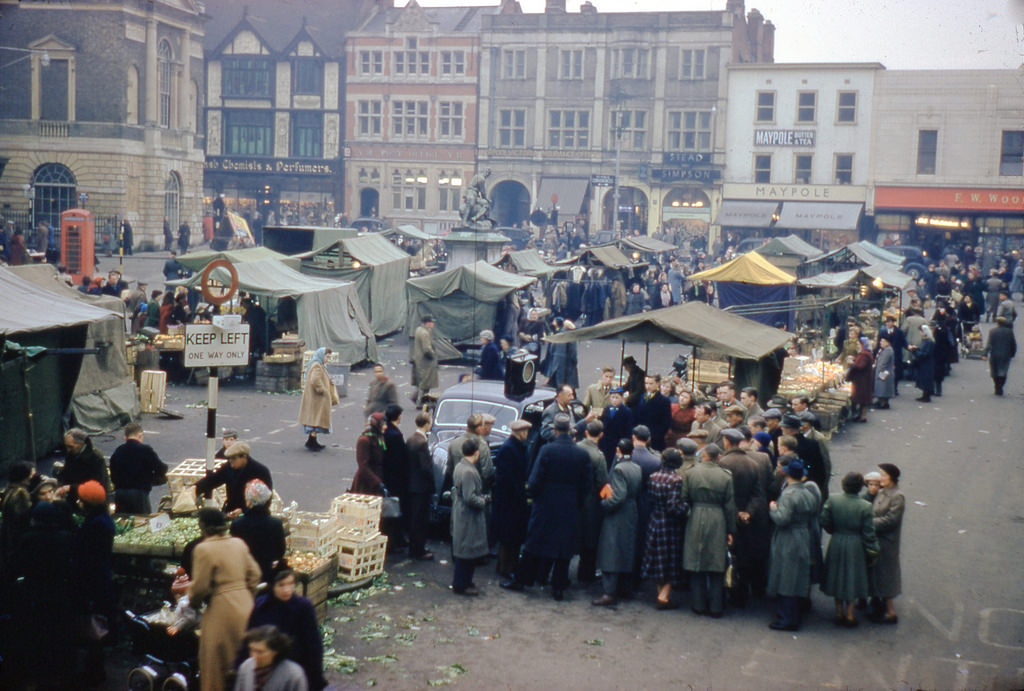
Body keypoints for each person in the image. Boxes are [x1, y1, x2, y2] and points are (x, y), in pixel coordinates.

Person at [502, 414, 590, 601]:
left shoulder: (547, 450)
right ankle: (558, 586)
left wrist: (534, 496)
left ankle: (522, 579)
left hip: (546, 505)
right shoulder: (582, 454)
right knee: (563, 548)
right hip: (570, 506)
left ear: (555, 430)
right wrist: (577, 502)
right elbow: (586, 485)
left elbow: (534, 480)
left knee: (534, 543)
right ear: (570, 430)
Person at [190, 508, 261, 691]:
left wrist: (193, 603)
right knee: (244, 665)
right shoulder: (238, 543)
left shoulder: (203, 549)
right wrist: (246, 596)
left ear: (203, 527)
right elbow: (255, 574)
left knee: (214, 667)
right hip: (246, 608)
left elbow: (200, 587)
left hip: (221, 611)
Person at [244, 565, 325, 690]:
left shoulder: (303, 608)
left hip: (293, 670)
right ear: (272, 586)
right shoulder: (261, 606)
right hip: (263, 670)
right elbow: (248, 639)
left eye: (290, 584)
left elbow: (313, 646)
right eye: (281, 585)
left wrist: (314, 679)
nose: (287, 590)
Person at [681, 443, 735, 618]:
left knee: (696, 561)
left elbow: (684, 498)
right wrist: (730, 530)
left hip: (695, 516)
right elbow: (729, 506)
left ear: (703, 455)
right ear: (718, 456)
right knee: (716, 562)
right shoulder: (726, 476)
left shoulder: (690, 472)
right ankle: (716, 606)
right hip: (718, 518)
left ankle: (698, 604)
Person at [766, 459, 821, 631]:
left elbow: (782, 519)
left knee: (786, 576)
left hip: (788, 537)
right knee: (797, 575)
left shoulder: (789, 494)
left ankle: (787, 618)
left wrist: (773, 508)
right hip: (803, 534)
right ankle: (796, 611)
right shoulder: (808, 491)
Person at [72, 481, 117, 686]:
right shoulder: (103, 519)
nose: (78, 502)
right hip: (101, 578)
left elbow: (87, 557)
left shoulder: (94, 525)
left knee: (93, 627)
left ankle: (94, 672)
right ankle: (94, 669)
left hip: (93, 581)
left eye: (81, 499)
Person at [820, 472, 879, 627]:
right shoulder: (865, 506)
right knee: (852, 577)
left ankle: (839, 613)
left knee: (836, 575)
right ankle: (851, 615)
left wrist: (834, 530)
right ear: (860, 487)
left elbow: (824, 520)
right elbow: (869, 532)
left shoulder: (833, 499)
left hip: (838, 540)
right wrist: (873, 550)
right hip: (855, 543)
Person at [718, 428, 766, 608]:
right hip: (746, 519)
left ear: (728, 442)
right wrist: (747, 512)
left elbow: (725, 494)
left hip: (728, 516)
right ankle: (742, 594)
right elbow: (757, 494)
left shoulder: (723, 462)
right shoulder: (753, 464)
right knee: (745, 556)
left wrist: (735, 512)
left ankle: (728, 592)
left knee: (727, 556)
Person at [592, 438, 643, 607]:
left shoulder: (619, 469)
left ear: (618, 450)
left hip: (618, 513)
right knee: (626, 549)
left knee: (610, 550)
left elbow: (619, 495)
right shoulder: (636, 467)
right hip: (632, 511)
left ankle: (609, 592)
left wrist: (605, 504)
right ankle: (625, 588)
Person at [641, 447, 688, 609]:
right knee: (670, 558)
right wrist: (686, 509)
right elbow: (673, 506)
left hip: (655, 519)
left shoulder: (653, 476)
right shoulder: (676, 480)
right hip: (670, 523)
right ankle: (664, 596)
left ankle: (660, 592)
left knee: (657, 557)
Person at [492, 419, 532, 578]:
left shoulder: (515, 447)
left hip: (513, 499)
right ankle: (506, 567)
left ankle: (507, 565)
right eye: (526, 432)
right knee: (509, 537)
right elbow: (507, 478)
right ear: (520, 433)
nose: (527, 435)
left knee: (512, 536)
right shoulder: (509, 449)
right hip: (509, 501)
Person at [451, 438, 490, 596]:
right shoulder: (469, 471)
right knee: (467, 552)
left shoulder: (460, 466)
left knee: (466, 550)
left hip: (461, 513)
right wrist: (484, 501)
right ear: (476, 453)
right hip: (468, 516)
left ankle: (465, 581)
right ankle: (461, 584)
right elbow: (470, 497)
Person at [196, 442, 274, 518]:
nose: (231, 461)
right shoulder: (228, 468)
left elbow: (266, 498)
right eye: (229, 459)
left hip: (254, 514)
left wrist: (243, 510)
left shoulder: (260, 471)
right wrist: (195, 488)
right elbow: (212, 480)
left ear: (244, 457)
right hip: (231, 510)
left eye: (233, 458)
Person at [230, 479, 286, 584]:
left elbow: (234, 553)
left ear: (249, 501)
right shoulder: (276, 523)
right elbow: (280, 551)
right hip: (268, 574)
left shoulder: (238, 524)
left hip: (244, 576)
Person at [108, 421, 168, 514]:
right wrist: (153, 479)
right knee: (142, 522)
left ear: (125, 437)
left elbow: (113, 475)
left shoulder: (118, 451)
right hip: (140, 495)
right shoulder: (145, 450)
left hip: (121, 495)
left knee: (124, 523)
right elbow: (161, 468)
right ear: (140, 435)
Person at [871, 463, 905, 624]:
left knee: (886, 574)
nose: (880, 478)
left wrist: (870, 523)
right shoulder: (882, 492)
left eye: (883, 475)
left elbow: (891, 520)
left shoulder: (897, 496)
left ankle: (890, 611)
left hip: (887, 541)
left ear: (892, 477)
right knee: (877, 572)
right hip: (877, 539)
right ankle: (879, 604)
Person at [577, 420, 608, 584]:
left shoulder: (576, 448)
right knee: (589, 538)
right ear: (601, 435)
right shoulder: (598, 456)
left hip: (573, 497)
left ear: (586, 432)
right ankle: (586, 573)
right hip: (590, 501)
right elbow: (603, 482)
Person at [234, 625, 309, 691]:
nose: (254, 656)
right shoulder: (246, 667)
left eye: (260, 652)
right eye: (251, 650)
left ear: (275, 652)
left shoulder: (293, 674)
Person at [405, 411, 436, 561]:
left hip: (411, 485)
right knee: (420, 520)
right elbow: (426, 468)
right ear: (426, 424)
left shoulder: (411, 439)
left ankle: (415, 547)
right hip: (421, 487)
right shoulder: (422, 443)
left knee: (413, 518)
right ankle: (418, 550)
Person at [56, 428, 112, 503]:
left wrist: (71, 488)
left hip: (90, 499)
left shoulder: (96, 458)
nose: (68, 450)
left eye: (71, 446)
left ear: (81, 444)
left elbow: (97, 483)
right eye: (67, 446)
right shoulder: (72, 453)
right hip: (73, 496)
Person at [381, 403, 409, 550]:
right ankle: (394, 541)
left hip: (386, 476)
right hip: (396, 478)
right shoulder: (396, 435)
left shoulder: (386, 432)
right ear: (398, 416)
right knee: (395, 509)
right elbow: (400, 459)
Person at [299, 347, 338, 451]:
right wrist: (322, 390)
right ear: (322, 355)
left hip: (315, 398)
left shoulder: (318, 365)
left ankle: (312, 441)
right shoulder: (317, 365)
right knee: (315, 419)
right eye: (327, 356)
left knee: (314, 419)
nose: (327, 359)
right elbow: (315, 380)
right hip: (316, 398)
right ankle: (312, 442)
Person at [351, 412, 387, 495]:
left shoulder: (379, 437)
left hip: (377, 480)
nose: (385, 427)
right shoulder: (364, 441)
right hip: (365, 485)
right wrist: (377, 482)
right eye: (383, 424)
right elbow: (363, 466)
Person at [634, 374, 671, 451]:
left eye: (651, 384)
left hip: (655, 439)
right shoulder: (642, 396)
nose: (648, 386)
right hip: (640, 436)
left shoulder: (664, 400)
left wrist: (654, 436)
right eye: (646, 383)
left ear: (657, 384)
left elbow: (666, 422)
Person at [598, 386, 633, 467]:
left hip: (618, 442)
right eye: (612, 397)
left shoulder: (626, 411)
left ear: (621, 398)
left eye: (617, 397)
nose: (614, 400)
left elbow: (628, 430)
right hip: (606, 443)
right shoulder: (606, 409)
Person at [983, 315, 1017, 395]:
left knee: (994, 371)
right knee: (1003, 371)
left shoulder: (992, 331)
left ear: (997, 323)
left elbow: (989, 344)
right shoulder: (1009, 332)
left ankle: (996, 385)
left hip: (994, 354)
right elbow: (1013, 344)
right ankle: (1000, 386)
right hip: (1006, 354)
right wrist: (1012, 353)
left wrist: (985, 354)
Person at [411, 315, 438, 405]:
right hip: (425, 361)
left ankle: (417, 398)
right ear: (427, 323)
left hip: (419, 360)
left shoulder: (418, 330)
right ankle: (421, 402)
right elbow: (427, 349)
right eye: (431, 322)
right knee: (425, 383)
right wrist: (433, 356)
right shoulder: (425, 333)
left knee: (421, 382)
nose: (433, 324)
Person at [846, 336, 874, 422]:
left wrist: (852, 363)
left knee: (857, 399)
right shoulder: (866, 353)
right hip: (863, 380)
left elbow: (860, 366)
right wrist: (855, 359)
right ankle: (862, 415)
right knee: (862, 400)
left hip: (861, 381)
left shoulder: (864, 354)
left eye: (859, 344)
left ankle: (857, 415)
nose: (857, 345)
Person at [909, 324, 936, 402]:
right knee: (923, 379)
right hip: (924, 364)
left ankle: (926, 396)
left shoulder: (929, 342)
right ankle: (925, 395)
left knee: (925, 379)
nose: (920, 333)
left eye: (921, 332)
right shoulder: (926, 341)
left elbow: (925, 354)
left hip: (927, 364)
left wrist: (915, 351)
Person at [874, 335, 896, 409]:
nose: (881, 342)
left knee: (883, 388)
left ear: (887, 342)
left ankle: (883, 403)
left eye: (883, 341)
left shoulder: (888, 350)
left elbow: (883, 362)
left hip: (884, 373)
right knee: (883, 388)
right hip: (885, 372)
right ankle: (882, 402)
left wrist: (879, 371)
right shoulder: (885, 349)